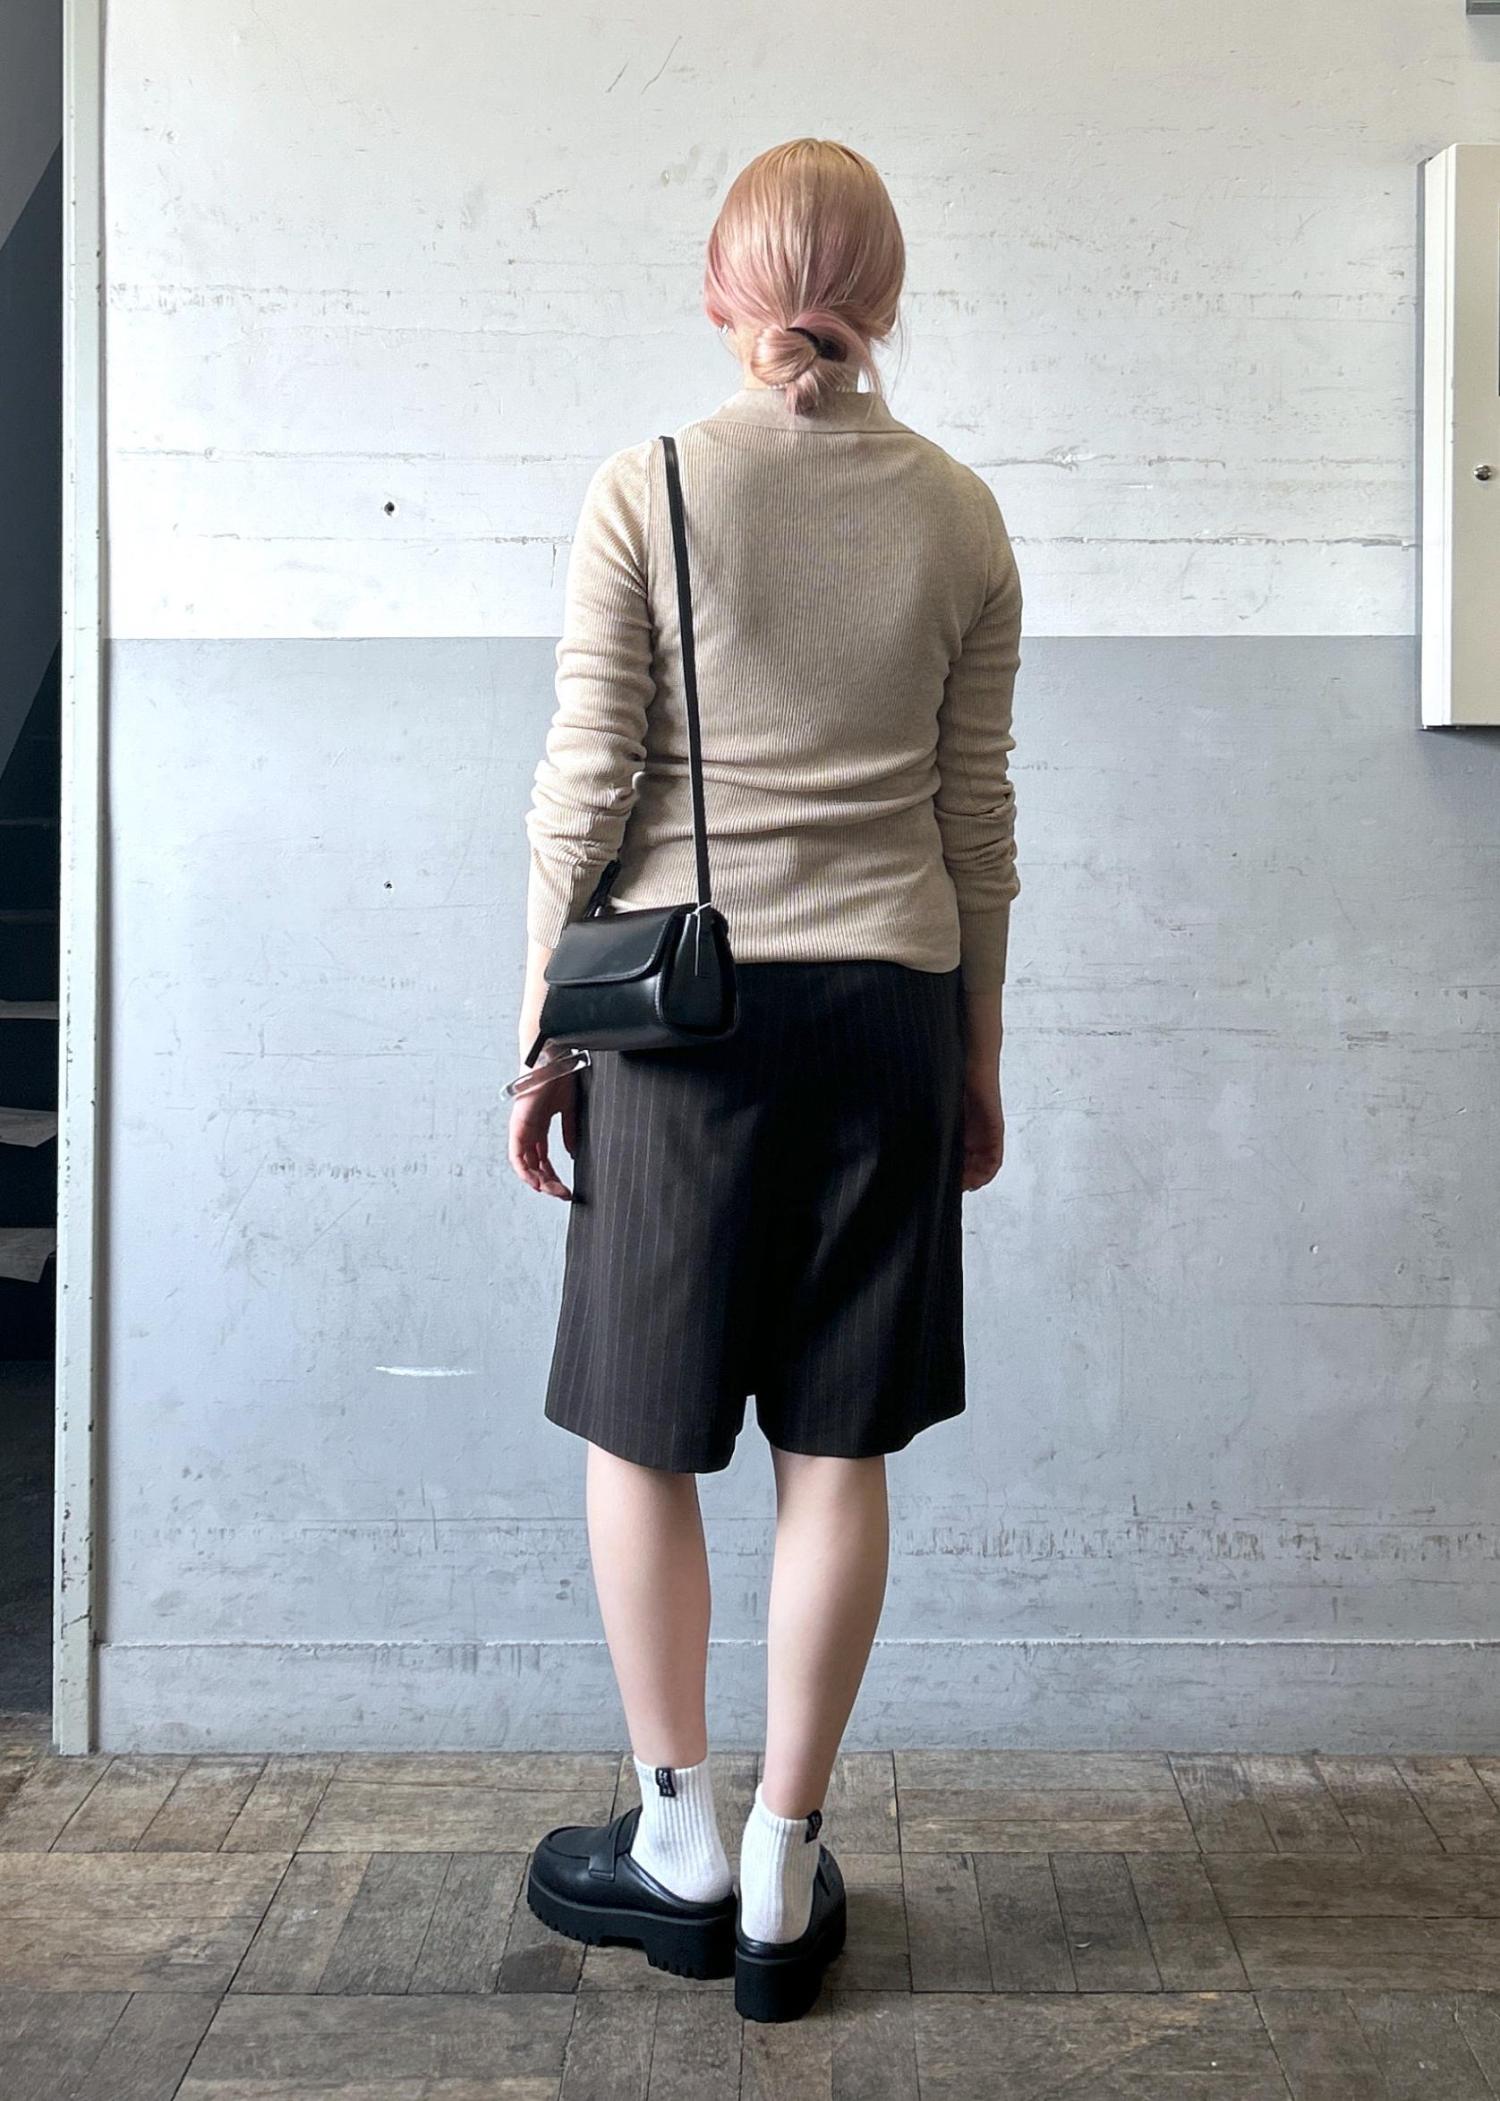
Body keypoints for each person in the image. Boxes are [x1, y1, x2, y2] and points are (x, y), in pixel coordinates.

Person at [509, 137, 1022, 2024]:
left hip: (684, 1018)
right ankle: (790, 1863)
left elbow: (585, 788)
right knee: (836, 1442)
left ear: (724, 293)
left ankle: (680, 1837)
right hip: (891, 1014)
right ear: (884, 299)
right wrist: (976, 1052)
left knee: (640, 1429)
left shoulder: (646, 486)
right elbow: (976, 822)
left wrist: (542, 1029)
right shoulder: (963, 515)